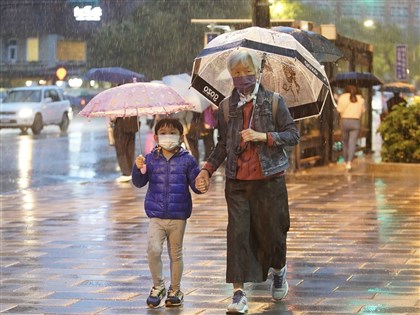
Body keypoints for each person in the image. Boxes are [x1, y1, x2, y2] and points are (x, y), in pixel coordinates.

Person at [194, 49, 300, 314]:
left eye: (246, 71)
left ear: (257, 72)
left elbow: (292, 135)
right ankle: (238, 295)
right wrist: (206, 170)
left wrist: (264, 137)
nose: (242, 77)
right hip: (237, 182)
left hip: (269, 181)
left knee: (272, 234)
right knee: (238, 236)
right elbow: (222, 145)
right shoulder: (226, 107)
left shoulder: (275, 101)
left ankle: (279, 269)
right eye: (236, 73)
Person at [132, 117, 206, 309]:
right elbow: (139, 182)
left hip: (178, 214)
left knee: (176, 254)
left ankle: (175, 289)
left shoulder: (187, 160)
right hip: (156, 214)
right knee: (153, 250)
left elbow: (195, 185)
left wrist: (201, 183)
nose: (168, 137)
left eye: (172, 132)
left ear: (181, 136)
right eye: (163, 133)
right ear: (156, 137)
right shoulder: (150, 158)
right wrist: (138, 168)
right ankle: (158, 286)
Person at [336, 85, 366, 171]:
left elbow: (339, 110)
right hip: (355, 122)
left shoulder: (342, 97)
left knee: (345, 142)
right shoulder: (360, 99)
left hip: (344, 121)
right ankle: (349, 162)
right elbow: (363, 111)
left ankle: (345, 161)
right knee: (352, 142)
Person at [112, 116, 139, 182]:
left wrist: (112, 119)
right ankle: (129, 171)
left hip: (121, 125)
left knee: (121, 149)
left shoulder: (118, 105)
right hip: (133, 123)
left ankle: (126, 173)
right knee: (130, 148)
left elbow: (113, 117)